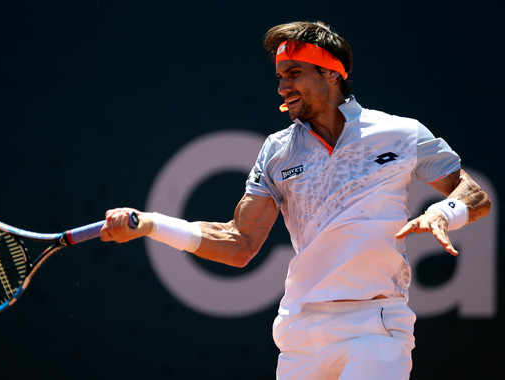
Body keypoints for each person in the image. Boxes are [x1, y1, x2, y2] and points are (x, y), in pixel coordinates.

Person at [99, 21, 491, 380]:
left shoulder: (401, 133)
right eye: (280, 76)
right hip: (302, 332)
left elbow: (473, 194)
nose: (282, 87)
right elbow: (239, 244)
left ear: (333, 74)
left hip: (376, 325)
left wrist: (445, 211)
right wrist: (151, 223)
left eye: (295, 73)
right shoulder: (277, 152)